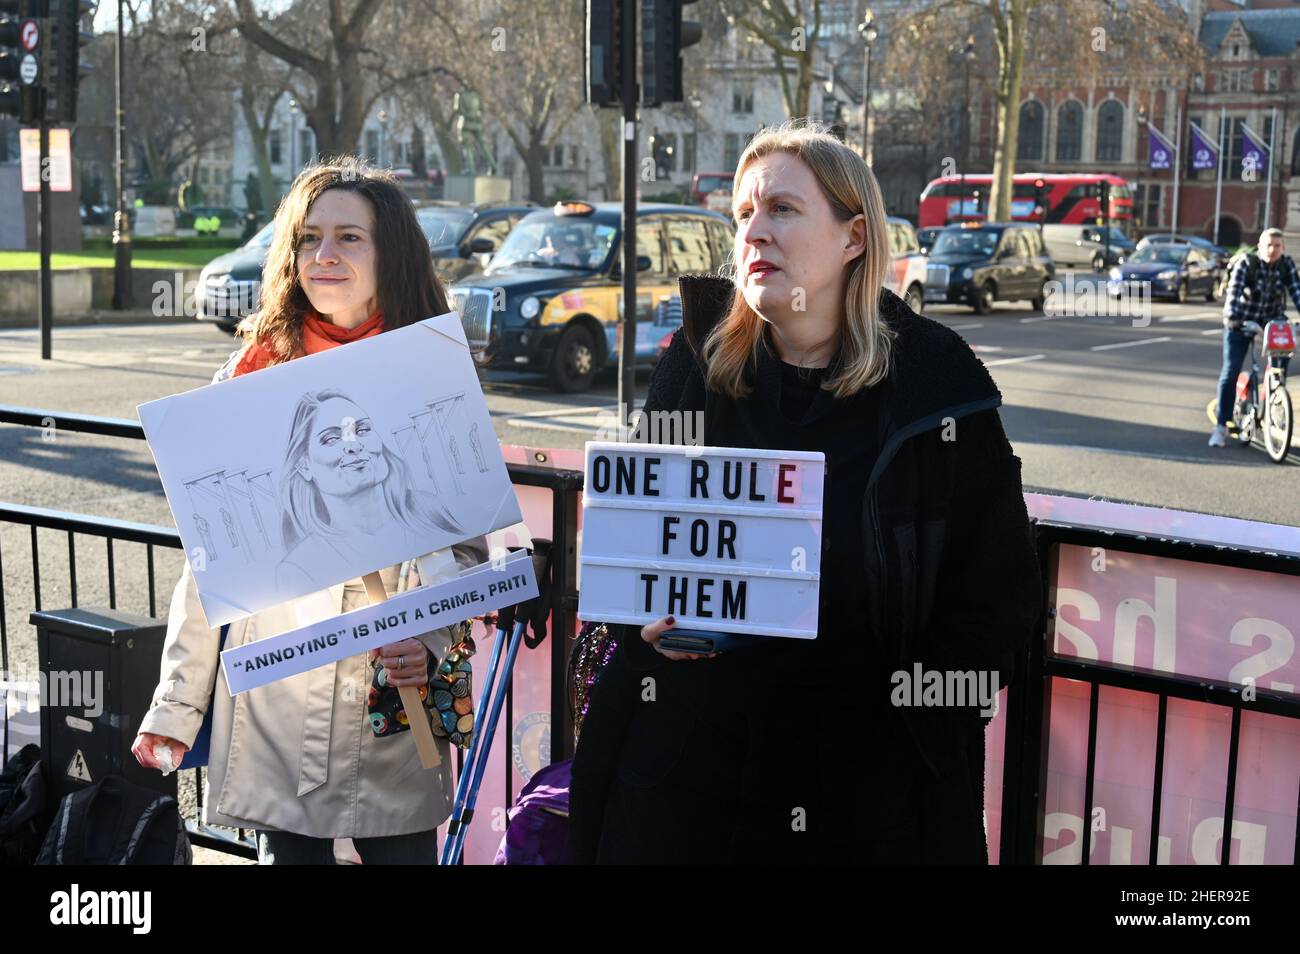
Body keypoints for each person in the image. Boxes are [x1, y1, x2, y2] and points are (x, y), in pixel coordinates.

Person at [568, 122, 1042, 865]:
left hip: (863, 802)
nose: (754, 230)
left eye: (782, 210)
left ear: (854, 236)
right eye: (743, 214)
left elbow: (999, 603)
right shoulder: (693, 363)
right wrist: (635, 616)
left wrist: (904, 721)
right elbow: (630, 550)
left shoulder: (937, 387)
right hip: (686, 788)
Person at [132, 157, 487, 865]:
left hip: (392, 688)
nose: (324, 255)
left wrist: (434, 639)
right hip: (279, 694)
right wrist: (176, 702)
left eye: (349, 237)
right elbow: (210, 566)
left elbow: (465, 547)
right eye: (309, 237)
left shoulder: (430, 376)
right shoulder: (248, 375)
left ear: (389, 252)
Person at [276, 388, 463, 592]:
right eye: (331, 439)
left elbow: (477, 568)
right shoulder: (301, 567)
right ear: (304, 466)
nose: (353, 445)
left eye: (362, 430)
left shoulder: (433, 511)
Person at [1210, 228, 1299, 447]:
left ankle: (1277, 408)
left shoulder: (1286, 265)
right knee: (1230, 371)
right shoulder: (1246, 264)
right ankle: (1221, 426)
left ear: (1283, 248)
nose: (1272, 250)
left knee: (1280, 367)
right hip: (1242, 320)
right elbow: (1234, 292)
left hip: (1272, 321)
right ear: (1259, 246)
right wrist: (1232, 318)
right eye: (1268, 245)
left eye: (1277, 246)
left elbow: (1297, 292)